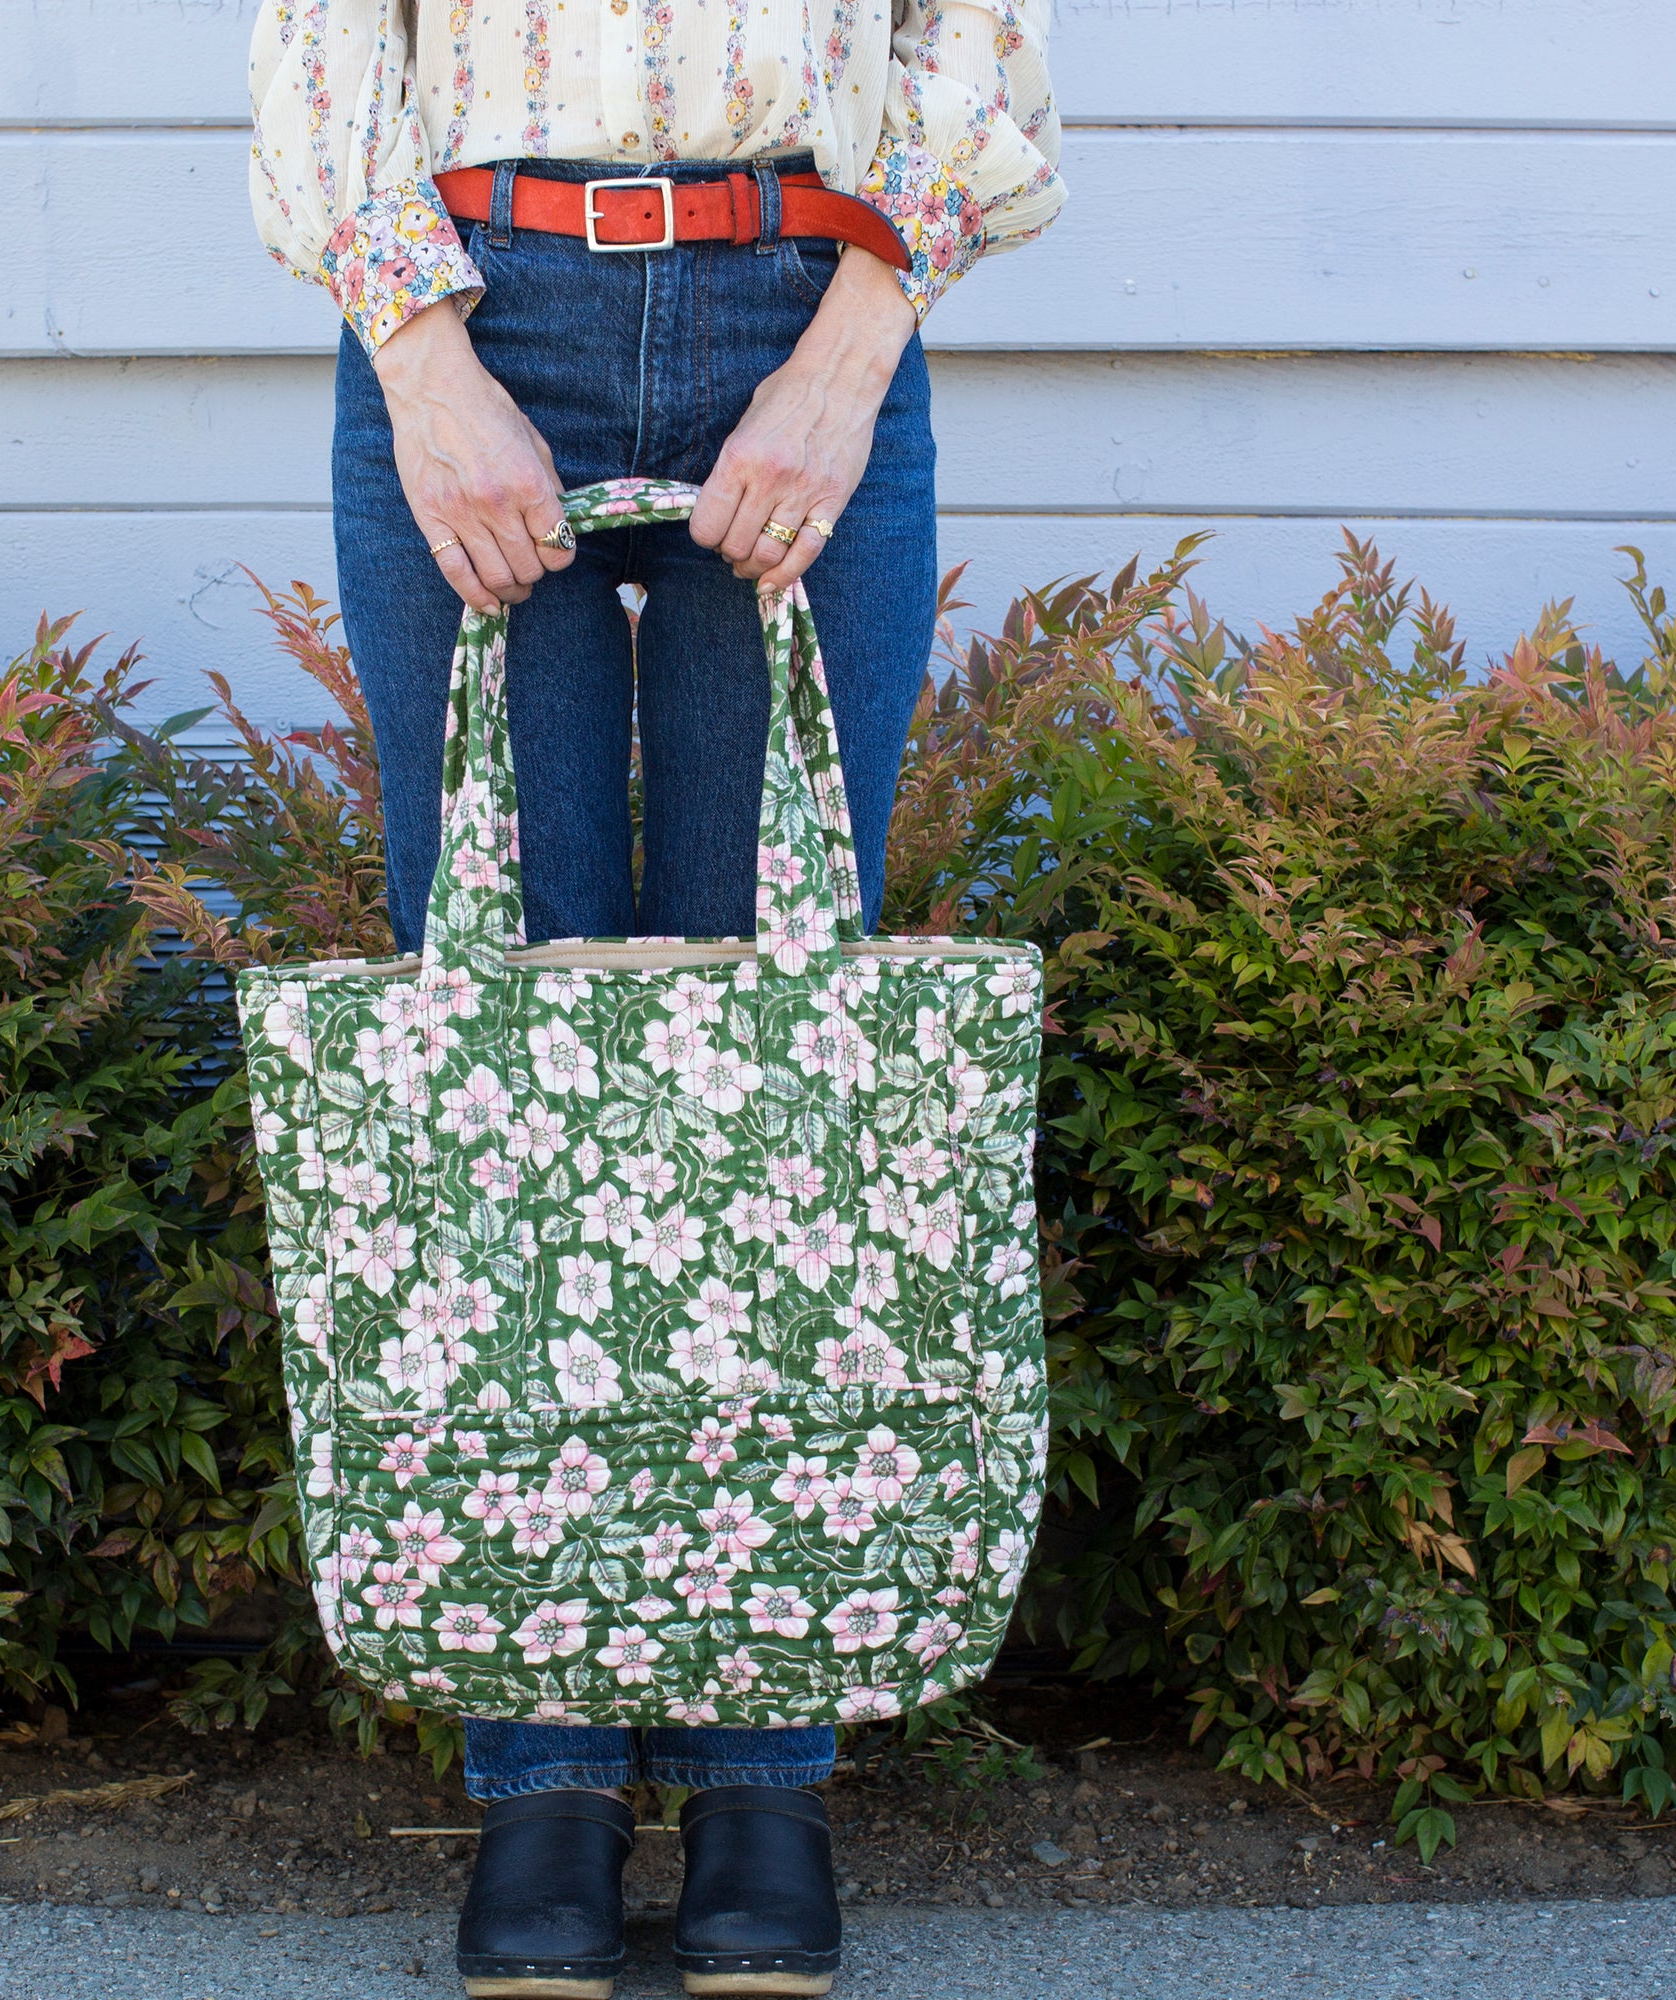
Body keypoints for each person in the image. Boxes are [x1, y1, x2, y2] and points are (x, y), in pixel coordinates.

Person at [248, 2, 1065, 1990]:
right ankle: (539, 1778)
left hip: (808, 296)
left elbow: (968, 37)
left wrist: (851, 354)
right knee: (499, 1068)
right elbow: (322, 40)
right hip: (467, 295)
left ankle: (765, 1778)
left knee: (784, 1077)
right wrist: (419, 360)